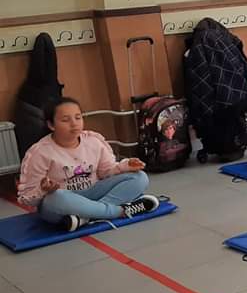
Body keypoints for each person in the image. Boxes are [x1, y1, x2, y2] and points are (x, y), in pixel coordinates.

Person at [17, 97, 159, 231]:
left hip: (92, 194)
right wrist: (44, 190)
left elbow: (106, 172)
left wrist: (126, 166)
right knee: (56, 198)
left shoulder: (93, 141)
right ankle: (119, 211)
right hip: (62, 202)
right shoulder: (39, 152)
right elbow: (27, 198)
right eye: (66, 120)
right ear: (51, 125)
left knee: (139, 177)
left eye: (78, 117)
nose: (74, 123)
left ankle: (85, 217)